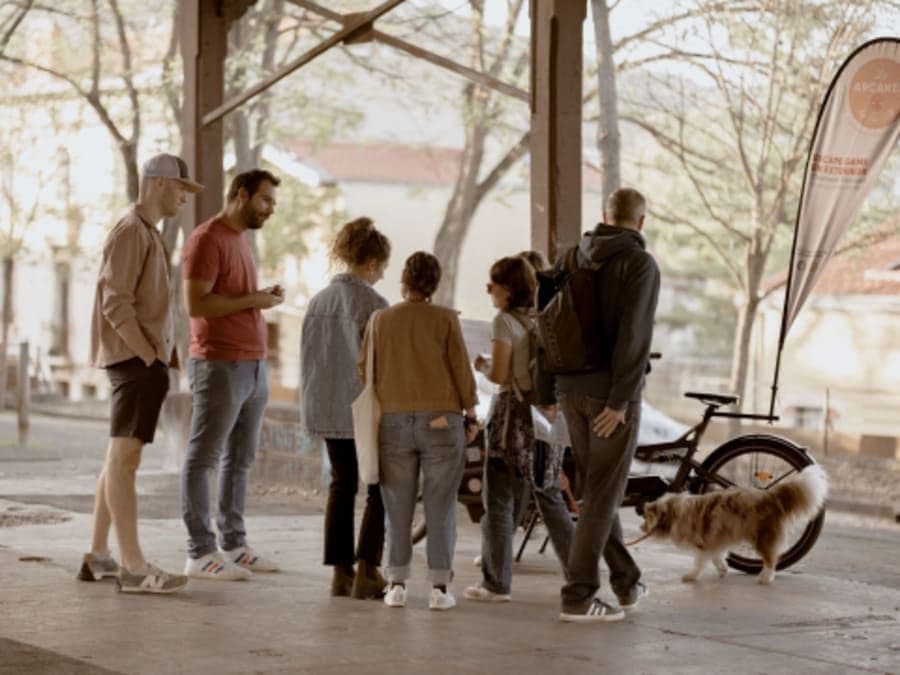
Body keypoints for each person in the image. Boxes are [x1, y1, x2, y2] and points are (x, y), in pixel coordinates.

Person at [81, 153, 202, 594]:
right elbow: (115, 301)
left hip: (140, 362)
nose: (185, 198)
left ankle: (98, 557)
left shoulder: (144, 232)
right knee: (124, 461)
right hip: (134, 363)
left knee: (118, 460)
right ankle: (133, 568)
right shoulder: (132, 231)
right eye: (181, 189)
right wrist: (148, 355)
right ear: (158, 184)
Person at [556, 187, 660, 623]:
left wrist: (548, 390)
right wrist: (620, 401)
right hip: (608, 397)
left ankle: (626, 580)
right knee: (602, 495)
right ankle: (578, 595)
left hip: (569, 389)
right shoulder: (639, 263)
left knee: (597, 490)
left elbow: (547, 319)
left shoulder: (571, 256)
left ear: (604, 215)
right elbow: (635, 335)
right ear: (640, 221)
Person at [358, 252, 479, 611]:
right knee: (440, 507)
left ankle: (396, 584)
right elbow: (461, 370)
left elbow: (363, 369)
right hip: (441, 422)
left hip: (393, 422)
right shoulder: (445, 319)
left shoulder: (380, 320)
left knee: (397, 506)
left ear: (403, 280)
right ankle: (440, 589)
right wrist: (470, 415)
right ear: (434, 283)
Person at [181, 169, 284, 580]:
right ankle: (199, 552)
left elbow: (236, 298)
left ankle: (234, 543)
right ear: (241, 195)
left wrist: (261, 299)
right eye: (265, 201)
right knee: (203, 457)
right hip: (220, 363)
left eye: (273, 203)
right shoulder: (207, 239)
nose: (271, 210)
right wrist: (252, 300)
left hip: (254, 363)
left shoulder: (240, 241)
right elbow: (196, 304)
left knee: (240, 459)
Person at [465, 256, 575, 603]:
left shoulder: (503, 322)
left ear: (507, 289)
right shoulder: (544, 317)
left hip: (512, 418)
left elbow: (499, 375)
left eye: (492, 283)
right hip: (546, 416)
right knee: (550, 497)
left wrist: (481, 364)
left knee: (497, 499)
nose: (487, 289)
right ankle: (581, 575)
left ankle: (496, 584)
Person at [300, 217, 391, 599]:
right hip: (363, 411)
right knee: (379, 487)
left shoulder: (317, 301)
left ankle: (341, 572)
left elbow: (308, 361)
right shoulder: (375, 305)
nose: (383, 275)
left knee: (341, 484)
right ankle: (369, 568)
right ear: (371, 263)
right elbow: (381, 364)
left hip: (324, 409)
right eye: (383, 267)